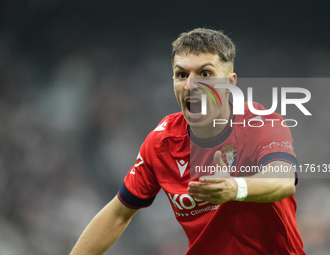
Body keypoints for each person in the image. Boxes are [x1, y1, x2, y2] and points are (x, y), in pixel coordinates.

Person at [70, 28, 305, 255]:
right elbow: (118, 213)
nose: (191, 85)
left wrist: (235, 187)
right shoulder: (161, 143)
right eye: (182, 75)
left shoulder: (260, 122)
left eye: (205, 74)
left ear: (230, 82)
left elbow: (283, 180)